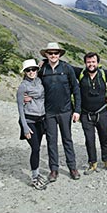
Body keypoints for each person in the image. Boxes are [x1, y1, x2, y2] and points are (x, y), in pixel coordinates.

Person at [38, 42, 81, 182]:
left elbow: (76, 89)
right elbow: (32, 83)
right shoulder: (41, 69)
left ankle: (72, 168)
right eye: (50, 53)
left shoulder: (67, 68)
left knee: (67, 139)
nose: (53, 56)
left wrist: (77, 110)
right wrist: (26, 96)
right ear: (46, 55)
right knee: (51, 141)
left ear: (59, 54)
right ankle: (54, 170)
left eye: (55, 53)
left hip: (66, 111)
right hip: (48, 112)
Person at [75, 52, 107, 174]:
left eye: (93, 62)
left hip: (101, 112)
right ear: (85, 63)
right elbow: (64, 66)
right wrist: (44, 62)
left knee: (104, 136)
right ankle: (92, 163)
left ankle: (106, 160)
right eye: (88, 62)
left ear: (97, 63)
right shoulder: (81, 74)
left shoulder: (104, 74)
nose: (91, 64)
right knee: (89, 139)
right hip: (86, 114)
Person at [16, 59, 48, 190]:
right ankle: (35, 177)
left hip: (40, 120)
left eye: (33, 69)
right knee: (35, 148)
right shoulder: (23, 86)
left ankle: (37, 173)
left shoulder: (39, 81)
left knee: (38, 148)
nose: (31, 72)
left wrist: (44, 60)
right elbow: (19, 108)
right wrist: (25, 128)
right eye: (28, 70)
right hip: (29, 121)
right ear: (24, 72)